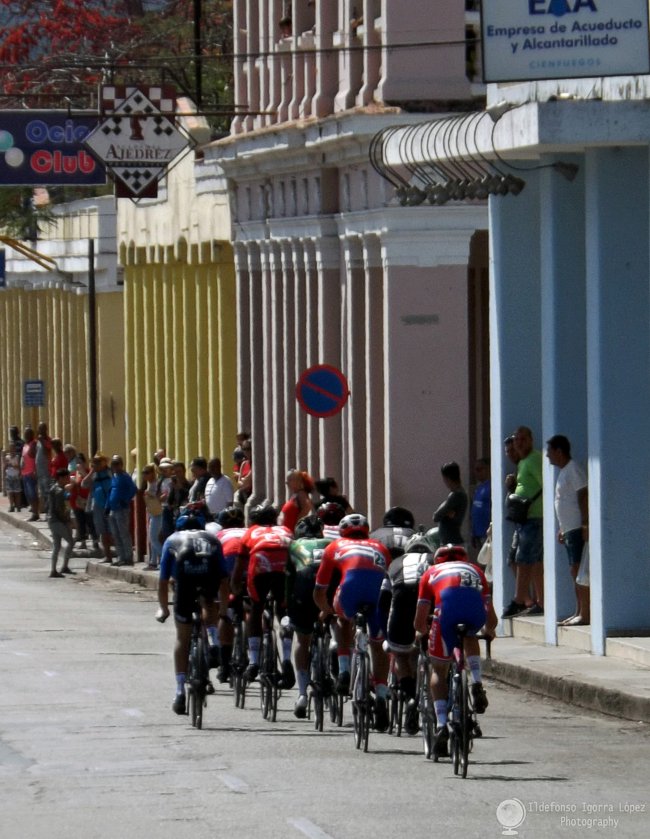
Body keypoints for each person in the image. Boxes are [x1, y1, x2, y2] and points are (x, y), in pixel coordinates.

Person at [414, 544, 497, 758]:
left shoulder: (431, 573)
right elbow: (492, 618)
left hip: (445, 616)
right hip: (474, 615)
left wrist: (421, 632)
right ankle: (476, 682)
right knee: (470, 633)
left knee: (439, 670)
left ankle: (441, 724)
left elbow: (419, 619)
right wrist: (489, 631)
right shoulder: (476, 570)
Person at [313, 513, 393, 732]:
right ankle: (382, 693)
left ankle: (344, 670)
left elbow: (320, 590)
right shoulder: (380, 547)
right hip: (377, 594)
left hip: (349, 591)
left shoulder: (334, 547)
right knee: (378, 644)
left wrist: (326, 611)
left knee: (343, 620)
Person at [157, 513, 226, 715]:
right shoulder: (212, 538)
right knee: (208, 600)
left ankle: (179, 691)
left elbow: (162, 580)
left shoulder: (172, 539)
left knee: (182, 638)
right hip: (208, 574)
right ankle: (213, 639)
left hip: (185, 577)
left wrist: (164, 608)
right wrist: (222, 611)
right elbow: (223, 579)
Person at [235, 504, 295, 688]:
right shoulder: (286, 530)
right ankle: (286, 658)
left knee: (256, 607)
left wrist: (235, 586)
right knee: (283, 610)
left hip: (261, 565)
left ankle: (253, 661)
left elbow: (240, 564)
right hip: (283, 566)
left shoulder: (251, 532)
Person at [381, 539, 435, 735]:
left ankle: (410, 695)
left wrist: (384, 632)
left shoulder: (395, 563)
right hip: (430, 598)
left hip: (403, 596)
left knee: (400, 653)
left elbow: (384, 600)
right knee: (434, 652)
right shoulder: (434, 560)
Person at [285, 514, 335, 719]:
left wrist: (286, 606)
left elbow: (288, 579)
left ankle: (303, 693)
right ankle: (337, 653)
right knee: (338, 620)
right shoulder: (331, 543)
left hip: (304, 583)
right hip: (328, 584)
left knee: (302, 638)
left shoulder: (294, 545)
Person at [546, 434, 590, 626]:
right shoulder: (564, 472)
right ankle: (578, 610)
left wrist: (585, 523)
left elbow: (583, 495)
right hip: (569, 529)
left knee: (578, 570)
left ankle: (585, 613)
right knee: (574, 571)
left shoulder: (574, 470)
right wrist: (562, 528)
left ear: (559, 451)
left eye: (550, 452)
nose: (548, 456)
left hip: (577, 528)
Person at [502, 426, 544, 617]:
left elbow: (545, 483)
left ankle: (520, 600)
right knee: (519, 559)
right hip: (523, 520)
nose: (519, 443)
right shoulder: (523, 462)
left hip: (534, 517)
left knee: (525, 559)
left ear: (531, 440)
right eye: (516, 440)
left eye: (523, 439)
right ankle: (531, 600)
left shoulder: (534, 459)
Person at [208, 505, 248, 683]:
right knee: (255, 603)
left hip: (228, 559)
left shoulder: (218, 536)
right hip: (250, 558)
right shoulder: (250, 532)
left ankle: (224, 665)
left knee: (224, 610)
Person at [106, 454, 137, 567]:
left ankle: (128, 557)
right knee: (115, 534)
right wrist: (107, 506)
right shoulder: (114, 477)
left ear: (121, 465)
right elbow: (111, 491)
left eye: (117, 464)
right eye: (113, 464)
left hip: (122, 510)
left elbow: (133, 489)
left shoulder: (125, 476)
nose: (115, 466)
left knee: (123, 533)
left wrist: (125, 499)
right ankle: (121, 557)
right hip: (113, 510)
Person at [82, 452, 114, 562]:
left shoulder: (110, 473)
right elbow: (84, 484)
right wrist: (91, 472)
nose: (94, 465)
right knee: (102, 531)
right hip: (97, 506)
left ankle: (116, 555)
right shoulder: (94, 475)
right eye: (93, 463)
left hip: (109, 505)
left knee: (112, 530)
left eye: (97, 462)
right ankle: (107, 556)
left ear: (104, 463)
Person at [432, 461, 468, 546]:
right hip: (451, 541)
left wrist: (445, 512)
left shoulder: (456, 495)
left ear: (447, 478)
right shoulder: (460, 493)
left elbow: (436, 516)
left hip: (451, 542)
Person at [47, 467, 75, 578]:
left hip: (52, 520)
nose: (68, 479)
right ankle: (64, 566)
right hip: (57, 520)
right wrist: (67, 521)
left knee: (57, 546)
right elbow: (59, 509)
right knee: (70, 541)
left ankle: (54, 569)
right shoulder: (59, 491)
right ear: (61, 478)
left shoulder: (55, 488)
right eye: (66, 477)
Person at [141, 464, 163, 569]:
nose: (144, 475)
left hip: (158, 513)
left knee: (153, 538)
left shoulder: (157, 484)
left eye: (147, 472)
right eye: (143, 473)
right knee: (152, 538)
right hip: (151, 512)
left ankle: (164, 558)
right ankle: (153, 561)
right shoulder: (149, 484)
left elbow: (160, 496)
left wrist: (150, 494)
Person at [470, 458, 491, 549]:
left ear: (488, 469)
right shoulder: (479, 488)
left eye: (479, 469)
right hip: (478, 534)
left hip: (488, 533)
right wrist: (473, 533)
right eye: (475, 470)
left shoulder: (491, 486)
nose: (476, 473)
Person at [20, 427, 39, 521]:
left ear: (32, 434)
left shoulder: (33, 444)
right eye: (25, 433)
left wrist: (35, 470)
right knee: (28, 494)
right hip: (24, 473)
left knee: (32, 494)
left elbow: (36, 458)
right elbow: (23, 457)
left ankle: (36, 514)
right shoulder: (25, 444)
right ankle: (34, 512)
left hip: (31, 473)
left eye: (28, 433)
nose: (26, 435)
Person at [35, 421, 52, 515]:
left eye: (42, 428)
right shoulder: (38, 441)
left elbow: (47, 452)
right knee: (41, 492)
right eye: (39, 428)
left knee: (47, 492)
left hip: (46, 470)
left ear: (45, 429)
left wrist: (42, 441)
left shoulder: (48, 440)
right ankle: (45, 510)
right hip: (39, 470)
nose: (40, 430)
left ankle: (49, 512)